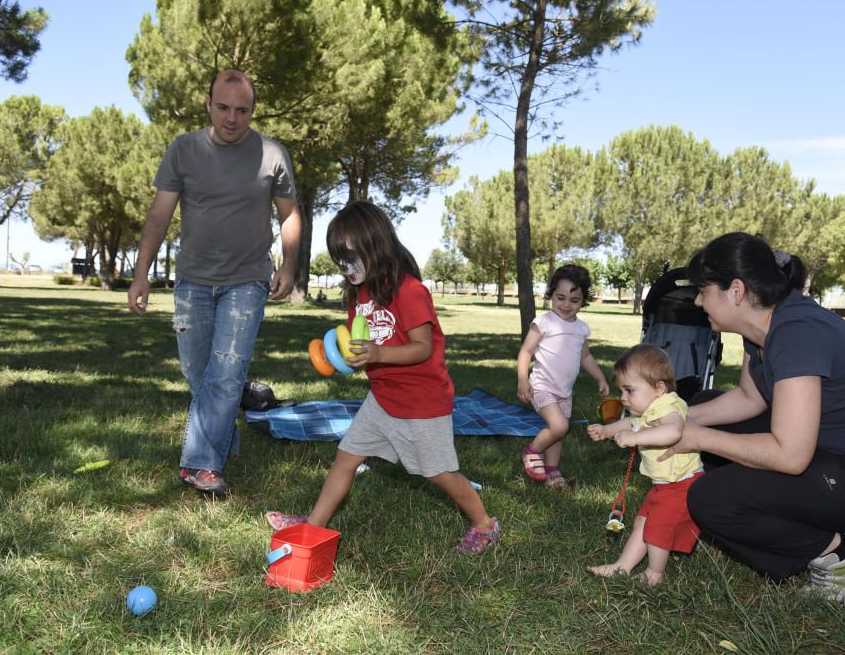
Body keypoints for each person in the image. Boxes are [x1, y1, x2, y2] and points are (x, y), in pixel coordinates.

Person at [665, 232, 845, 602]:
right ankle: (790, 517)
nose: (698, 301)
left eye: (703, 290)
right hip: (826, 456)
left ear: (735, 291)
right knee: (704, 406)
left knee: (711, 499)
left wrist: (694, 436)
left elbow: (791, 455)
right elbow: (749, 399)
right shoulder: (761, 328)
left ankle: (838, 551)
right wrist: (673, 417)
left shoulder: (797, 332)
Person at [264, 201, 501, 554]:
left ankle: (485, 525)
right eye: (338, 259)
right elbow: (363, 343)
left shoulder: (409, 291)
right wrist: (349, 357)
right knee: (346, 458)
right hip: (383, 399)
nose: (345, 267)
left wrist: (377, 354)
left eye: (350, 257)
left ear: (376, 244)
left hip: (422, 403)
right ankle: (313, 527)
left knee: (439, 473)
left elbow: (422, 348)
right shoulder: (359, 294)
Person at [127, 70, 301, 497]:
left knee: (226, 371)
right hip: (192, 282)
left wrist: (289, 264)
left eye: (242, 110)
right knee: (198, 372)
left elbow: (290, 214)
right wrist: (141, 272)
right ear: (208, 104)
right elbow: (159, 214)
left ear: (252, 111)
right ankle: (225, 439)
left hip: (247, 280)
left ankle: (200, 465)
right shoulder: (184, 150)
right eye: (223, 107)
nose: (231, 118)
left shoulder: (272, 154)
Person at [586, 345, 704, 585]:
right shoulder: (649, 407)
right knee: (642, 522)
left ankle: (654, 574)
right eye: (622, 391)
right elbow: (631, 422)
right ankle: (623, 566)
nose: (623, 397)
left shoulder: (670, 406)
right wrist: (607, 430)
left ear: (658, 387)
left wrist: (636, 438)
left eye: (629, 390)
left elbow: (673, 431)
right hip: (663, 484)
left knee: (657, 530)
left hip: (681, 483)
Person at [517, 264, 609, 489]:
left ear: (583, 300)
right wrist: (522, 380)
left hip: (564, 391)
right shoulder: (544, 322)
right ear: (551, 295)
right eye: (560, 297)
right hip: (542, 386)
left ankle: (552, 471)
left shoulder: (581, 329)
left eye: (574, 300)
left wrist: (600, 378)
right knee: (559, 426)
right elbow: (526, 352)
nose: (566, 305)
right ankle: (531, 452)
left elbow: (585, 356)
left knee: (558, 433)